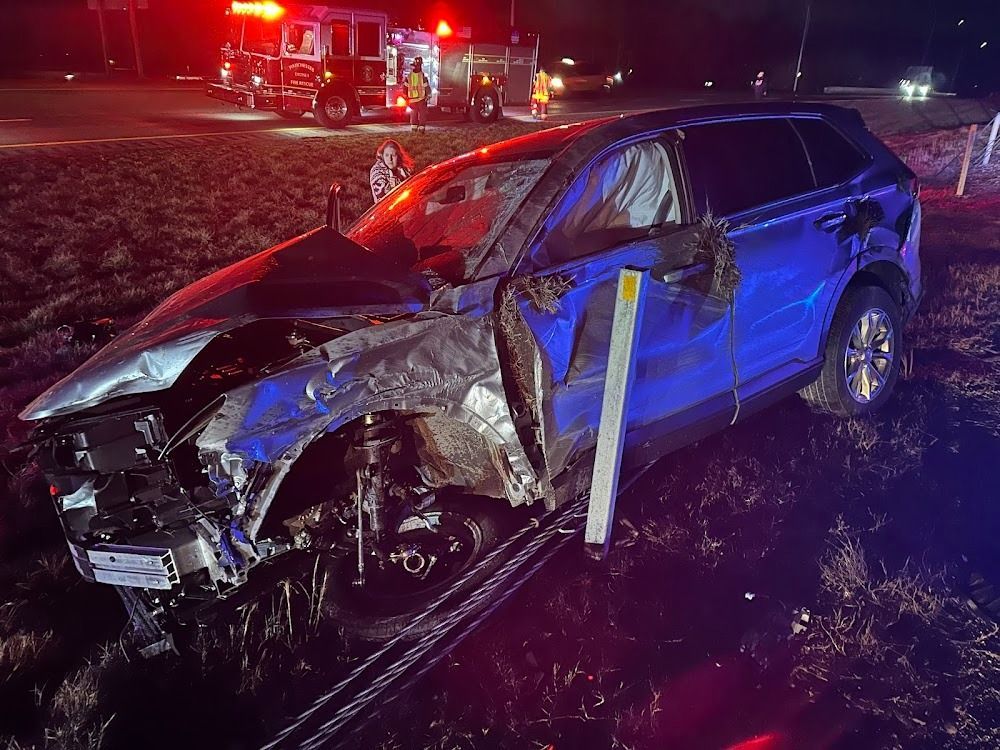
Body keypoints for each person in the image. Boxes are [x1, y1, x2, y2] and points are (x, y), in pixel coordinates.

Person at [369, 139, 414, 203]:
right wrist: (395, 189)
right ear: (382, 156)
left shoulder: (404, 169)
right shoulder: (377, 171)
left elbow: (413, 192)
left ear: (398, 156)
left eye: (393, 155)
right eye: (387, 155)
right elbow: (381, 200)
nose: (389, 159)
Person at [407, 56, 430, 133]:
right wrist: (428, 95)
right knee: (422, 114)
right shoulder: (422, 76)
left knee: (413, 113)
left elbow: (405, 87)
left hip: (412, 99)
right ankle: (421, 129)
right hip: (421, 99)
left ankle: (414, 128)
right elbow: (426, 87)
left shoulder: (409, 76)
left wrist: (406, 96)